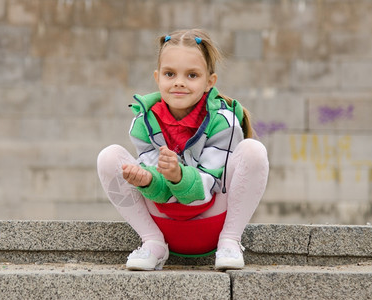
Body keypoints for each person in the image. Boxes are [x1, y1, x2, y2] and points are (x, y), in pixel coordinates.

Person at [97, 29, 269, 271]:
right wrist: (147, 180)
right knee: (109, 157)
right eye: (170, 73)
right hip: (162, 222)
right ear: (157, 78)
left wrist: (178, 176)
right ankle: (152, 244)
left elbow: (208, 186)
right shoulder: (143, 121)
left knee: (253, 150)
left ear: (210, 82)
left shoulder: (223, 121)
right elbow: (154, 178)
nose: (179, 82)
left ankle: (230, 242)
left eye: (192, 75)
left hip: (211, 222)